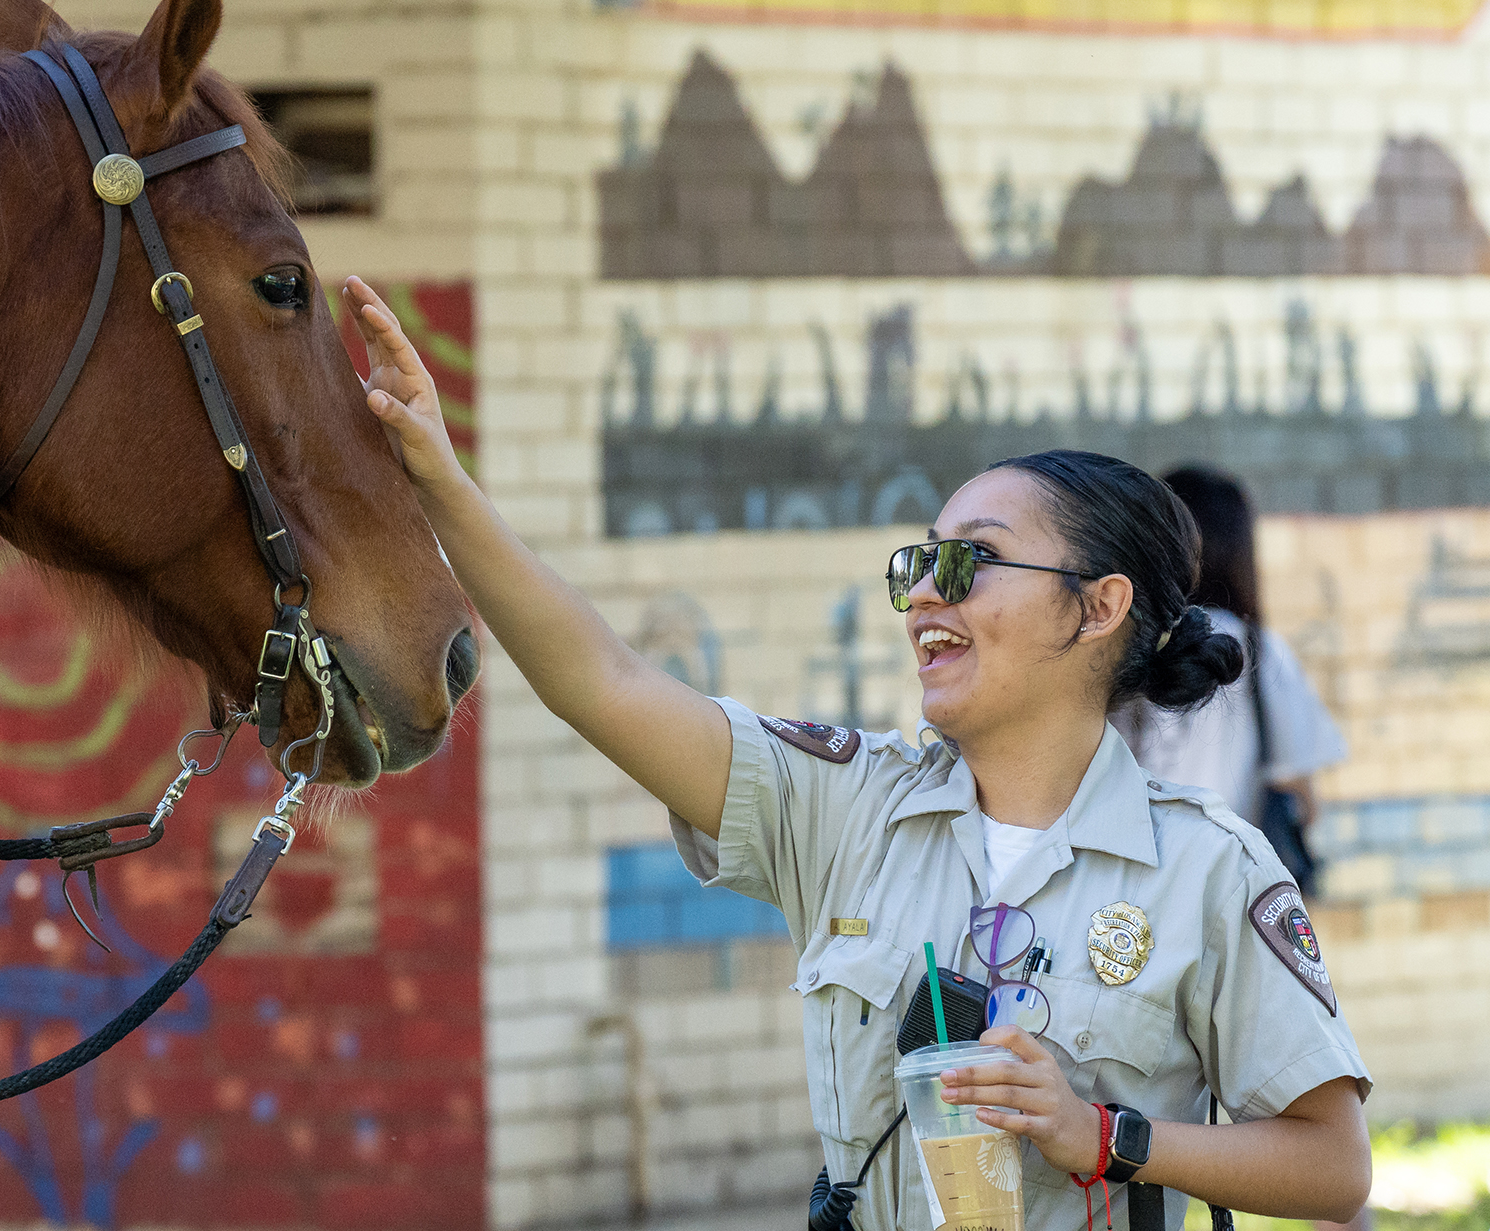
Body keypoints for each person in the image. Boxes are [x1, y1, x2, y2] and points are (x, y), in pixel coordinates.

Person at [342, 276, 1372, 1229]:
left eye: (967, 561)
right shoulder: (844, 806)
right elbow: (603, 682)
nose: (924, 592)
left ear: (1097, 606)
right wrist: (436, 475)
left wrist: (1104, 1136)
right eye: (918, 563)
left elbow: (1332, 1165)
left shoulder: (1208, 868)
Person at [1112, 467, 1346, 895]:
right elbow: (1303, 799)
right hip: (1225, 890)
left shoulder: (1116, 641)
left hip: (1123, 886)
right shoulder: (1261, 651)